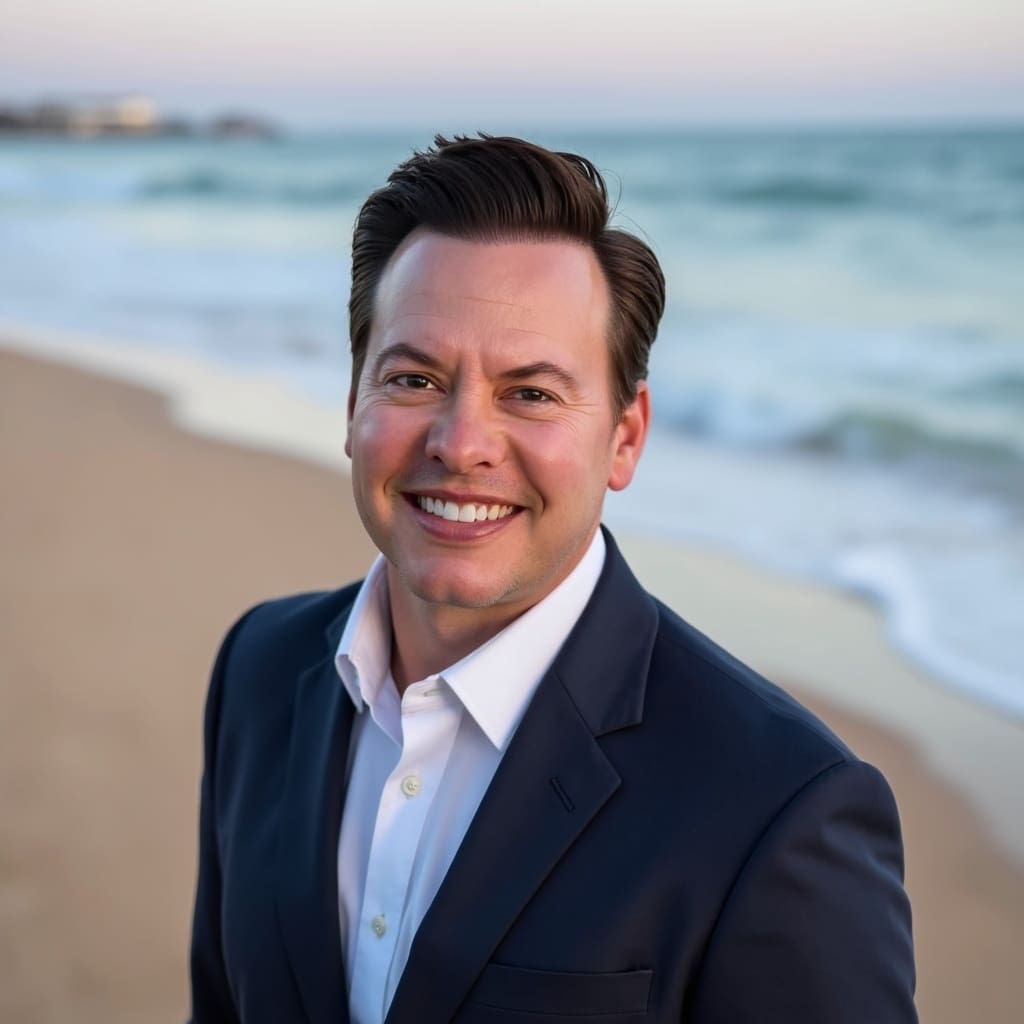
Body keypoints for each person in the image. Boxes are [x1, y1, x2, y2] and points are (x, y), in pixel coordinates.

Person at [188, 134, 917, 1023]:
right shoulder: (261, 669)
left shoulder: (780, 808)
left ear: (625, 437)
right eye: (413, 378)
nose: (460, 444)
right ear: (352, 405)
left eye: (531, 394)